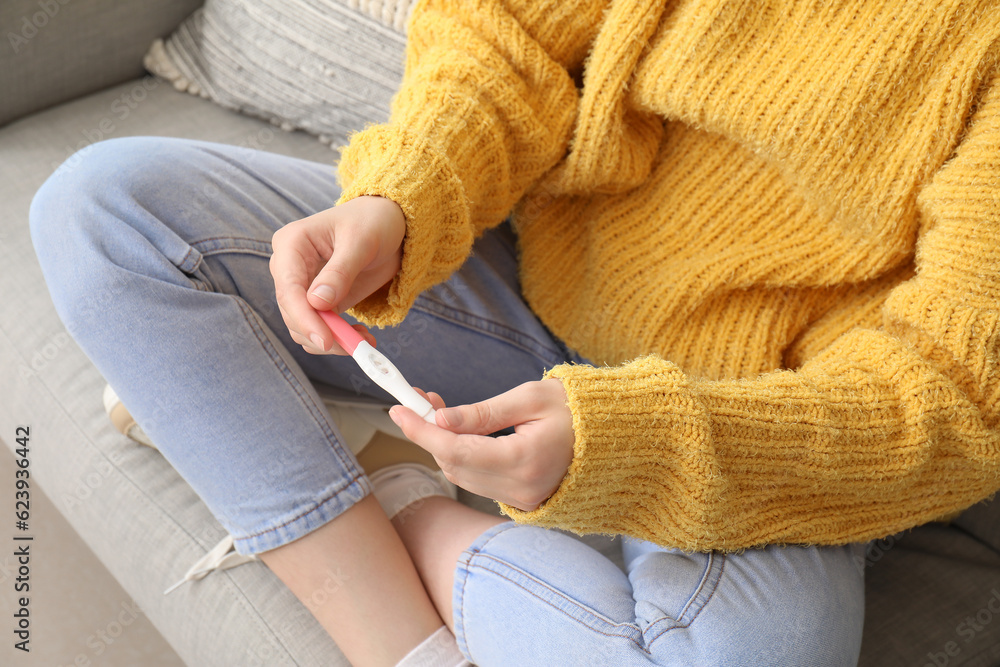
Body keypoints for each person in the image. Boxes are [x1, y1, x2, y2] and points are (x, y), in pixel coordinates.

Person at [29, 0, 1000, 665]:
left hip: (758, 425)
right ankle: (398, 644)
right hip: (525, 286)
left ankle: (386, 478)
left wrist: (630, 444)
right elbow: (507, 34)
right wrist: (403, 192)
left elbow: (954, 398)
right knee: (101, 211)